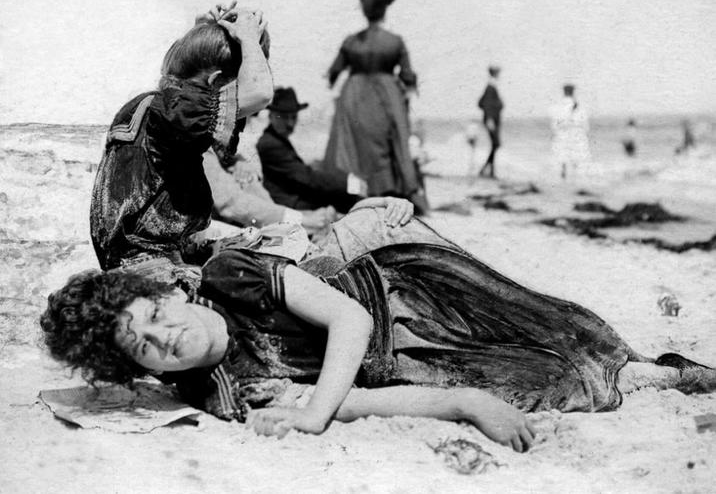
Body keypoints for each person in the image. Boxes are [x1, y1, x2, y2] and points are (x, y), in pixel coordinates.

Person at [41, 207, 713, 453]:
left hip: (410, 292)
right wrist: (464, 404)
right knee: (561, 385)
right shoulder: (223, 391)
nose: (164, 336)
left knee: (572, 332)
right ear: (146, 370)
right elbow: (357, 403)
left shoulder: (228, 275)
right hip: (403, 365)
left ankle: (668, 371)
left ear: (166, 292)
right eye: (144, 347)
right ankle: (664, 377)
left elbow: (349, 316)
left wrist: (312, 414)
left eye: (154, 316)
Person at [90, 2, 273, 285]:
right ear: (215, 83)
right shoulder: (176, 111)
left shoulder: (155, 106)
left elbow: (181, 74)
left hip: (135, 262)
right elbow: (260, 93)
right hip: (149, 269)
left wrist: (199, 33)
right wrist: (248, 39)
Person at [323, 0, 428, 214]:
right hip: (386, 96)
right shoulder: (395, 41)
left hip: (354, 96)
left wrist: (334, 83)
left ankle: (356, 193)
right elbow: (408, 76)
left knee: (355, 145)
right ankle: (388, 192)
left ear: (365, 12)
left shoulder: (351, 41)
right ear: (384, 12)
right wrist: (408, 90)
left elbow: (333, 72)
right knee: (389, 142)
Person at [256, 87, 366, 214]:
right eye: (284, 117)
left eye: (293, 117)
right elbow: (307, 177)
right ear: (271, 116)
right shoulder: (270, 144)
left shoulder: (276, 139)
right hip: (289, 205)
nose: (290, 123)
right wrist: (349, 183)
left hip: (293, 198)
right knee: (349, 201)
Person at [203, 147, 336, 235]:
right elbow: (231, 203)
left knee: (246, 177)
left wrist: (238, 161)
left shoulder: (215, 145)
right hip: (203, 230)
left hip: (234, 217)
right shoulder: (200, 146)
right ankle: (291, 225)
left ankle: (287, 225)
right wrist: (301, 219)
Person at [550, 84, 591, 180]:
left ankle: (563, 177)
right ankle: (574, 178)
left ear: (564, 92)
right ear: (573, 92)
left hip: (562, 133)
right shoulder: (579, 105)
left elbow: (554, 124)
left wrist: (555, 132)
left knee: (563, 156)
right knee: (575, 157)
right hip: (576, 133)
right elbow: (585, 124)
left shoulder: (558, 105)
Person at [477, 66, 504, 178]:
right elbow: (485, 104)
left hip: (493, 120)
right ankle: (487, 170)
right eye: (498, 73)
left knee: (495, 144)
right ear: (495, 73)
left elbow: (480, 103)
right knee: (496, 144)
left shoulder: (491, 86)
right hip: (491, 120)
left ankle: (488, 170)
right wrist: (489, 118)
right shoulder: (491, 87)